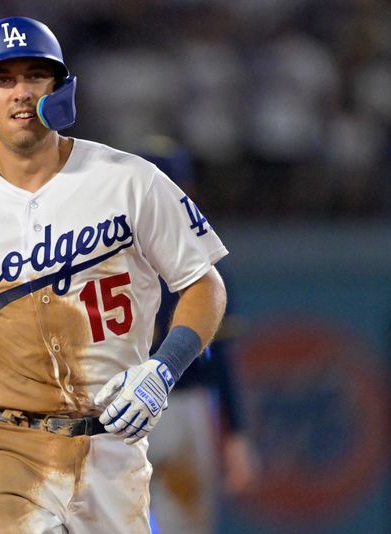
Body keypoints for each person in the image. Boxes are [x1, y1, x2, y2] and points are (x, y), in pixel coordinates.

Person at [0, 17, 228, 534]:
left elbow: (204, 284)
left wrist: (164, 369)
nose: (21, 92)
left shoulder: (130, 180)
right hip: (5, 448)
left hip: (113, 441)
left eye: (35, 76)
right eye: (3, 80)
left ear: (60, 88)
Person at [139, 136, 259, 534]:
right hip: (181, 408)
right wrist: (236, 434)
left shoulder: (104, 251)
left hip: (128, 410)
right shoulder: (200, 256)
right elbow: (221, 358)